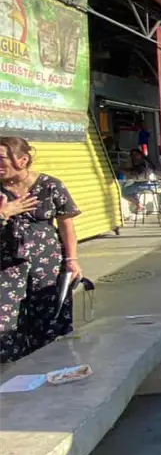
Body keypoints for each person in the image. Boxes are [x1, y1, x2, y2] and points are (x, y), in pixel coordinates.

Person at [0, 137, 82, 363]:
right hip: (5, 268)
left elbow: (66, 226)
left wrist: (72, 260)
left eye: (1, 158)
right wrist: (5, 213)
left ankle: (52, 371)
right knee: (5, 328)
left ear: (22, 160)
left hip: (47, 266)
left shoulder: (50, 185)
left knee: (50, 323)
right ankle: (12, 376)